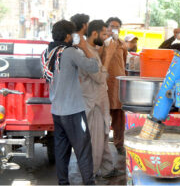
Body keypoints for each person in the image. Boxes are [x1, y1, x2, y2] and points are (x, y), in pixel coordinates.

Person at [41, 20, 98, 185]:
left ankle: (63, 183)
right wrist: (85, 48)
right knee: (83, 150)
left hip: (57, 111)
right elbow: (93, 67)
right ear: (67, 36)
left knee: (61, 151)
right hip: (74, 111)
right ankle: (89, 183)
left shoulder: (46, 53)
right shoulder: (69, 52)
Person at [79, 20, 123, 179]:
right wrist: (109, 55)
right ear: (95, 34)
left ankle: (106, 169)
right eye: (104, 34)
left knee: (103, 136)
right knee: (95, 141)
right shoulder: (84, 52)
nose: (107, 37)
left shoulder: (93, 49)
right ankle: (89, 174)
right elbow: (99, 77)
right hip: (93, 103)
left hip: (100, 100)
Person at [103, 17, 127, 155]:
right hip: (105, 85)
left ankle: (119, 144)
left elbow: (123, 63)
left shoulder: (122, 45)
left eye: (117, 27)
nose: (114, 29)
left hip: (118, 86)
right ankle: (102, 145)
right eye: (112, 26)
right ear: (107, 28)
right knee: (103, 116)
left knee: (119, 117)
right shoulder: (101, 44)